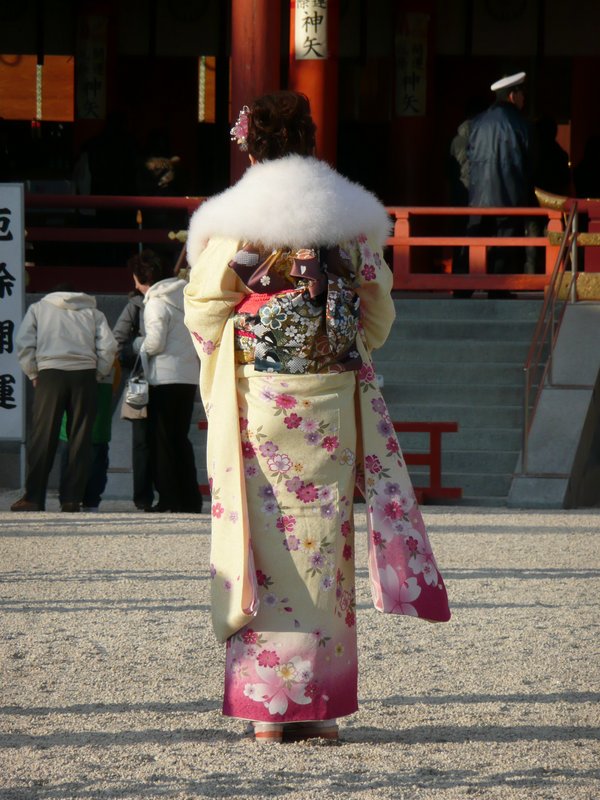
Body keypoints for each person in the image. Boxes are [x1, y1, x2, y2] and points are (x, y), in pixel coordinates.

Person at [183, 90, 451, 743]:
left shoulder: (236, 217)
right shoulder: (350, 218)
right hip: (328, 402)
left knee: (266, 548)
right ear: (310, 141)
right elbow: (379, 319)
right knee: (323, 547)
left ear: (251, 146)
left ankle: (269, 711)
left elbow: (202, 309)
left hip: (263, 404)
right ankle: (319, 707)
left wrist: (230, 357)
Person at [11, 284, 117, 512]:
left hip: (50, 373)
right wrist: (98, 372)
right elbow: (108, 346)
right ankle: (72, 499)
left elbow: (23, 342)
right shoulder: (93, 312)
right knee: (80, 438)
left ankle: (34, 497)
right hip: (85, 375)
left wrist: (32, 372)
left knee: (43, 437)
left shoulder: (39, 308)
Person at [130, 249, 202, 513]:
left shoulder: (156, 302)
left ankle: (170, 498)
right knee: (180, 440)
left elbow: (154, 342)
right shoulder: (184, 297)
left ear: (142, 277)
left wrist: (137, 343)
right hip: (187, 376)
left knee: (162, 442)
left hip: (164, 377)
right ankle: (190, 498)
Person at [467, 71, 535, 292]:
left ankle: (466, 288)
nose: (524, 99)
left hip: (479, 197)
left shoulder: (477, 123)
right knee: (505, 245)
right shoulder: (521, 125)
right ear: (512, 95)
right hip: (509, 196)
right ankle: (499, 289)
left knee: (477, 241)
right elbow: (532, 165)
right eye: (522, 94)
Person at [58, 359, 120, 511]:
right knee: (96, 449)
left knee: (70, 447)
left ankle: (68, 498)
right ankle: (91, 501)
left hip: (70, 376)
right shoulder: (110, 356)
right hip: (103, 377)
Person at [112, 288, 155, 511]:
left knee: (141, 439)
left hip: (140, 377)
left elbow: (118, 336)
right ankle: (164, 494)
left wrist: (131, 351)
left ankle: (143, 497)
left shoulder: (136, 303)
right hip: (172, 377)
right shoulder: (180, 298)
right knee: (166, 437)